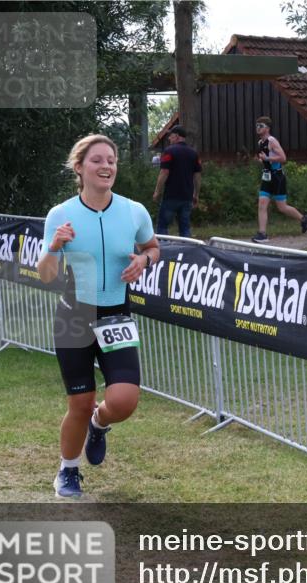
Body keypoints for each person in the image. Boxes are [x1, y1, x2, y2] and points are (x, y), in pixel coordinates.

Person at [37, 134, 159, 498]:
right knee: (79, 401)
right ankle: (68, 471)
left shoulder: (134, 211)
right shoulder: (61, 215)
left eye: (112, 160)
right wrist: (55, 247)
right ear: (79, 168)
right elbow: (46, 275)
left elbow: (153, 246)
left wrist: (144, 259)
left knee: (123, 400)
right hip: (75, 315)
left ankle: (99, 423)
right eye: (97, 160)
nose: (107, 166)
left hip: (116, 314)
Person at [252, 116, 307, 242]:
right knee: (262, 204)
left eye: (260, 126)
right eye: (257, 125)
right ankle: (262, 234)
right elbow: (266, 159)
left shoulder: (272, 141)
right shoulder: (260, 143)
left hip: (277, 177)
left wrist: (268, 159)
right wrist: (260, 161)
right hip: (267, 176)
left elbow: (283, 158)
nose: (258, 128)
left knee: (282, 207)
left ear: (267, 128)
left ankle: (303, 218)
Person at [152, 126, 201, 237]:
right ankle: (186, 251)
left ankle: (163, 251)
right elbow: (197, 176)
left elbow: (164, 172)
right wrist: (196, 195)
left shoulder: (169, 151)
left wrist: (157, 191)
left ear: (177, 136)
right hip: (187, 197)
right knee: (185, 228)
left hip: (171, 196)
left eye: (171, 135)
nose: (169, 138)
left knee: (162, 227)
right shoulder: (194, 154)